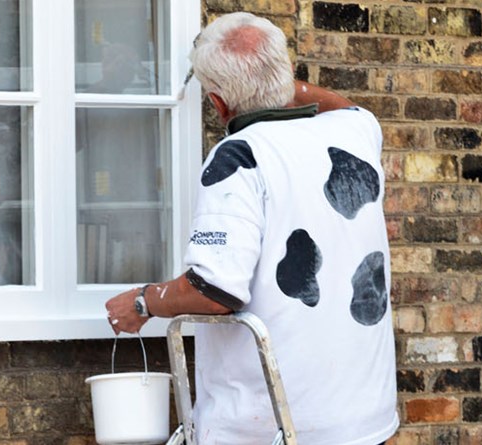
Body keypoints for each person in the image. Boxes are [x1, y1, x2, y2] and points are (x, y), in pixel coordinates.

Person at [103, 12, 398, 445]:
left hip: (274, 426)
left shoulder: (238, 158)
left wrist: (144, 301)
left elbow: (215, 291)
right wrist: (275, 84)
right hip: (363, 421)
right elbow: (342, 103)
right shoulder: (355, 131)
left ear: (219, 104)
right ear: (288, 72)